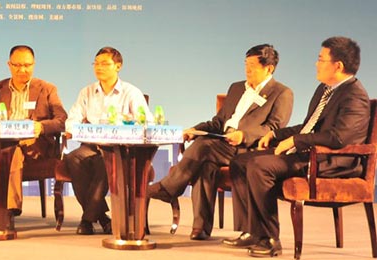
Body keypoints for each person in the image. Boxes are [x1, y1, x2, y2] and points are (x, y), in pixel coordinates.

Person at [224, 36, 370, 257]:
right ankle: (252, 231)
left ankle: (269, 239)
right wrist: (276, 134)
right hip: (311, 154)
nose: (316, 63)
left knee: (260, 166)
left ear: (338, 66)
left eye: (321, 59)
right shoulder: (325, 90)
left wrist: (294, 141)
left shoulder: (354, 95)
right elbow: (309, 126)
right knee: (240, 161)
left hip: (332, 161)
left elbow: (338, 138)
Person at [147, 44, 293, 240]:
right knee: (205, 164)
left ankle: (168, 188)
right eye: (246, 64)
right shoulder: (236, 88)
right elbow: (218, 122)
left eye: (252, 66)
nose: (247, 70)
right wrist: (195, 130)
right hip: (222, 142)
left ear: (269, 68)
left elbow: (274, 128)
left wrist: (244, 135)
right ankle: (201, 228)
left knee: (204, 146)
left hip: (247, 148)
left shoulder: (281, 93)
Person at [0, 45, 67, 222]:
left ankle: (1, 207)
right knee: (9, 150)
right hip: (6, 144)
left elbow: (62, 120)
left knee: (9, 150)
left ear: (34, 64)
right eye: (17, 65)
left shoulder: (47, 89)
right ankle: (8, 209)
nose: (22, 70)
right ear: (9, 65)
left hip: (36, 145)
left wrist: (41, 127)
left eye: (27, 65)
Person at [65, 46, 152, 235]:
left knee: (105, 163)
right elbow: (72, 119)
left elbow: (146, 122)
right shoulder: (87, 92)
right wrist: (76, 130)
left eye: (104, 64)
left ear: (118, 66)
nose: (99, 67)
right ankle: (103, 218)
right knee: (72, 158)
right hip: (91, 145)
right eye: (96, 63)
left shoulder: (131, 92)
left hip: (120, 149)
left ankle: (87, 219)